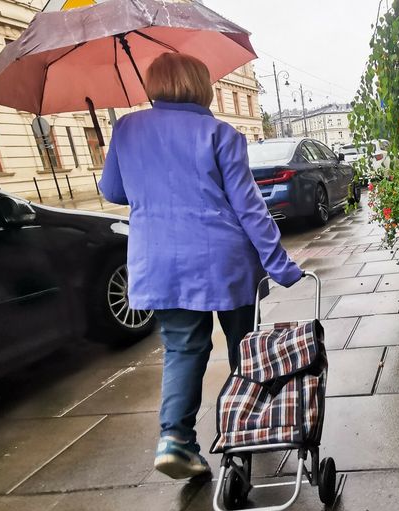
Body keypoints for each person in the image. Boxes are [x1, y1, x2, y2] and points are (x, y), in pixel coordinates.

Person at [99, 52, 303, 479]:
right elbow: (249, 208)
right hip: (224, 260)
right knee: (244, 343)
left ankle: (175, 439)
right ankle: (247, 421)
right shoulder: (220, 133)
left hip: (159, 262)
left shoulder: (126, 129)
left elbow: (114, 191)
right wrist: (278, 263)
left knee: (183, 347)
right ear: (200, 86)